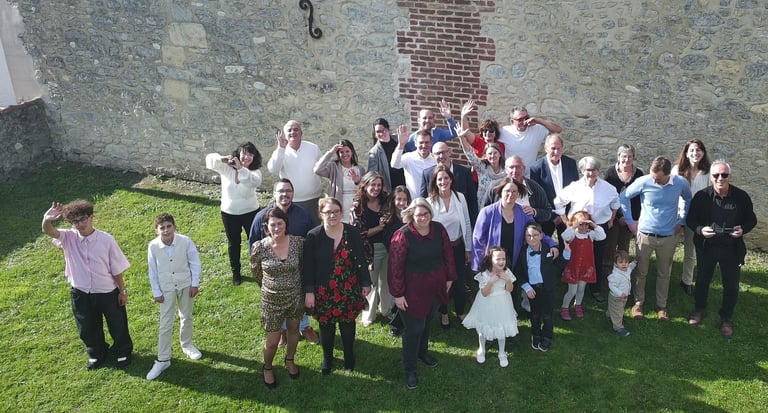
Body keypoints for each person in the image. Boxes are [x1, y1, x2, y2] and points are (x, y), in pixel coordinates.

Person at [41, 200, 133, 370]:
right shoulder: (68, 237)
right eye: (75, 221)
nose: (80, 224)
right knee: (87, 327)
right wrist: (47, 219)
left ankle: (122, 352)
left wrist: (122, 291)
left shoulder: (106, 240)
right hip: (81, 291)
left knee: (117, 323)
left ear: (92, 217)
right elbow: (49, 231)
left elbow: (116, 269)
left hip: (107, 290)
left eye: (83, 219)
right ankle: (96, 353)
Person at [388, 198, 457, 389]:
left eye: (426, 213)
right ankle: (410, 369)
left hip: (435, 287)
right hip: (412, 290)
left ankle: (422, 352)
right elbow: (395, 267)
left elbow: (448, 253)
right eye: (419, 214)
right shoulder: (402, 236)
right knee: (414, 329)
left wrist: (450, 277)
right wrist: (398, 294)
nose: (423, 217)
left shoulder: (438, 229)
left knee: (427, 323)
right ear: (411, 215)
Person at [686, 161, 756, 338]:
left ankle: (726, 317)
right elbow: (691, 220)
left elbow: (751, 220)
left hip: (732, 248)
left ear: (730, 177)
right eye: (716, 175)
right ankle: (699, 309)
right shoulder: (702, 196)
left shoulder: (741, 197)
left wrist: (743, 230)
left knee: (731, 285)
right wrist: (701, 230)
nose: (720, 179)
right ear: (711, 177)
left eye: (724, 175)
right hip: (707, 247)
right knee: (702, 279)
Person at [303, 198, 372, 375]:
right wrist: (309, 291)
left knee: (348, 323)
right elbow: (308, 266)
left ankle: (349, 355)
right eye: (328, 212)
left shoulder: (352, 232)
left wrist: (365, 281)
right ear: (321, 214)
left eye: (336, 211)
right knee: (326, 325)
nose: (332, 215)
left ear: (341, 213)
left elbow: (361, 258)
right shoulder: (313, 236)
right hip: (324, 289)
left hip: (349, 286)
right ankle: (327, 357)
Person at [620, 156, 692, 321]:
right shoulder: (644, 181)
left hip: (668, 237)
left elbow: (688, 199)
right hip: (645, 235)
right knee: (641, 271)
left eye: (658, 179)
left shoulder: (680, 183)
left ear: (668, 175)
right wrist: (631, 222)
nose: (654, 180)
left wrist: (681, 220)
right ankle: (638, 303)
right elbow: (624, 196)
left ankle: (662, 306)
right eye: (653, 177)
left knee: (664, 272)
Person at [248, 179, 319, 346]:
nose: (285, 194)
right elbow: (253, 246)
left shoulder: (303, 215)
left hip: (297, 267)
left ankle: (305, 326)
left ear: (293, 193)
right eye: (281, 191)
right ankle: (281, 330)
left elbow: (314, 238)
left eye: (288, 190)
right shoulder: (261, 217)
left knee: (299, 297)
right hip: (273, 271)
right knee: (276, 299)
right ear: (274, 194)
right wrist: (264, 278)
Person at [250, 208, 305, 388]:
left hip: (295, 297)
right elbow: (256, 272)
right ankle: (267, 367)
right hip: (271, 301)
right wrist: (269, 287)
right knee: (272, 341)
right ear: (266, 226)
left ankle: (290, 359)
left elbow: (303, 267)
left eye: (280, 223)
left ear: (286, 224)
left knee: (294, 330)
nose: (276, 227)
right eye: (272, 224)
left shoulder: (298, 243)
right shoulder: (259, 247)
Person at [553, 156, 619, 303]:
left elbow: (616, 203)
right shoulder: (574, 187)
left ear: (598, 170)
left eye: (595, 169)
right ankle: (572, 284)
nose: (591, 173)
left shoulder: (608, 188)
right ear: (582, 170)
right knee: (576, 257)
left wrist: (612, 219)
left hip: (598, 227)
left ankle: (595, 289)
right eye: (588, 170)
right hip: (578, 229)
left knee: (597, 257)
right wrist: (566, 221)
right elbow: (558, 202)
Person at [145, 213, 202, 381]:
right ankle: (163, 359)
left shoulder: (185, 241)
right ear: (156, 230)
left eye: (169, 226)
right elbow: (152, 270)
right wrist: (156, 291)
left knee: (186, 316)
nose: (166, 230)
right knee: (165, 323)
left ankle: (187, 345)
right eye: (162, 228)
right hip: (166, 288)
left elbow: (194, 262)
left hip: (185, 284)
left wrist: (194, 283)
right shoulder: (153, 246)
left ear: (175, 227)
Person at [205, 142, 263, 285]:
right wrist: (221, 159)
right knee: (234, 243)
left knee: (255, 242)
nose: (246, 157)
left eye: (250, 154)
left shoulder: (255, 172)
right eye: (244, 153)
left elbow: (251, 182)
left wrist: (240, 168)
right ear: (237, 154)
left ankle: (259, 270)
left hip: (251, 212)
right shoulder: (226, 169)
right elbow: (209, 160)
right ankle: (236, 273)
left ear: (254, 158)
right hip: (229, 212)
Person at [426, 165, 472, 329]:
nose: (443, 181)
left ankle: (460, 311)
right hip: (440, 251)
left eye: (446, 178)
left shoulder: (460, 198)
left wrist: (468, 248)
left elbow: (466, 222)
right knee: (444, 284)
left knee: (459, 284)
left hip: (458, 247)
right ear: (435, 182)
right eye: (440, 179)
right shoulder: (430, 202)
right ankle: (444, 314)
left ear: (451, 180)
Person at [514, 223, 569, 352]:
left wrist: (566, 252)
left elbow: (560, 265)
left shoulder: (548, 250)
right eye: (528, 236)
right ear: (525, 237)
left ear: (541, 236)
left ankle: (547, 335)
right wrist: (526, 287)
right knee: (534, 314)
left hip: (547, 288)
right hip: (533, 289)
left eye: (535, 235)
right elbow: (519, 273)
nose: (531, 238)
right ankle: (536, 334)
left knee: (547, 315)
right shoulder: (522, 253)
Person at [461, 247, 518, 367]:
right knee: (483, 327)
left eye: (503, 259)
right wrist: (491, 281)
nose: (501, 261)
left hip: (503, 302)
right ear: (490, 260)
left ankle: (502, 352)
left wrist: (507, 280)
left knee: (501, 326)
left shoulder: (506, 272)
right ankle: (482, 349)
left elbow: (509, 289)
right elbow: (484, 293)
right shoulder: (485, 274)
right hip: (486, 303)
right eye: (498, 259)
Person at [351, 172, 392, 327]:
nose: (376, 188)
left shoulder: (386, 201)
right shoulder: (357, 206)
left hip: (388, 247)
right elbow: (359, 233)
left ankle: (386, 310)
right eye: (372, 184)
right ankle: (369, 314)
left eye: (379, 185)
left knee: (386, 281)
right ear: (365, 185)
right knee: (371, 283)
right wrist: (380, 227)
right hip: (369, 250)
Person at [671, 139, 712, 296]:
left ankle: (686, 281)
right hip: (677, 215)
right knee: (669, 249)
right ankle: (665, 278)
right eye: (692, 150)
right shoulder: (677, 170)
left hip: (697, 217)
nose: (696, 153)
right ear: (687, 153)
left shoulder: (708, 172)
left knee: (691, 251)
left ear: (703, 152)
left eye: (699, 150)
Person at [529, 133, 580, 248]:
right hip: (547, 216)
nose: (556, 152)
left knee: (568, 247)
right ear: (546, 148)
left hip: (568, 215)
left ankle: (565, 265)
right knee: (544, 246)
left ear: (562, 148)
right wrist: (553, 217)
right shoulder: (537, 168)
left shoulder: (570, 164)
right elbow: (536, 197)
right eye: (553, 148)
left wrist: (566, 215)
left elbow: (576, 189)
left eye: (558, 148)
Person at [602, 144, 644, 279]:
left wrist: (630, 218)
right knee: (610, 246)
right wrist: (616, 216)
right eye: (624, 156)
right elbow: (606, 196)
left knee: (624, 247)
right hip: (612, 217)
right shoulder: (610, 173)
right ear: (618, 157)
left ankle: (622, 274)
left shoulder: (639, 174)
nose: (627, 159)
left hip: (630, 218)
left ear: (634, 157)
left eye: (630, 156)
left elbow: (639, 199)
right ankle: (607, 274)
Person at [267, 120, 324, 217]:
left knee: (313, 230)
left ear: (301, 133)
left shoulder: (313, 148)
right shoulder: (280, 151)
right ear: (285, 135)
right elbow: (273, 169)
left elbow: (323, 168)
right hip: (290, 201)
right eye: (289, 130)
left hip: (313, 200)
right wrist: (281, 149)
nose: (293, 132)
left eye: (296, 129)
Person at [559, 211, 606, 320]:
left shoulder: (591, 235)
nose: (584, 226)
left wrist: (594, 225)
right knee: (572, 290)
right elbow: (564, 236)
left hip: (585, 267)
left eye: (586, 224)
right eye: (581, 224)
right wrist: (574, 226)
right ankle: (564, 307)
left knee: (581, 288)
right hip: (573, 267)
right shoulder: (572, 235)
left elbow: (602, 236)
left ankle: (578, 304)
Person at [419, 141, 478, 224]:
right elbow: (422, 201)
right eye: (437, 153)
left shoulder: (464, 172)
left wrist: (474, 223)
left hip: (460, 225)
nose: (441, 156)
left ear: (449, 152)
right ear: (432, 156)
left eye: (443, 152)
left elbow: (472, 200)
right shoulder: (427, 174)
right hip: (435, 225)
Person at [381, 185, 413, 337]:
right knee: (397, 291)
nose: (402, 203)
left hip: (410, 260)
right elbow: (388, 241)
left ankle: (401, 320)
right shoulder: (388, 218)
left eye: (405, 200)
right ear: (393, 200)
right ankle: (395, 324)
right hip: (394, 261)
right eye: (398, 199)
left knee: (407, 292)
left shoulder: (412, 218)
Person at [497, 105, 562, 175]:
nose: (524, 121)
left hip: (530, 175)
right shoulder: (506, 131)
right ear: (512, 121)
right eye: (520, 119)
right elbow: (488, 138)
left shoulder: (537, 129)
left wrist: (538, 121)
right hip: (511, 175)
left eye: (526, 118)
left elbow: (558, 130)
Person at [313, 139, 365, 223]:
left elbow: (364, 188)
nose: (345, 154)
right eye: (341, 152)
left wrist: (358, 181)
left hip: (355, 204)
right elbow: (317, 170)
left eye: (347, 151)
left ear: (352, 152)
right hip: (339, 202)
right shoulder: (333, 167)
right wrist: (331, 152)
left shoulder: (360, 168)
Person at [456, 127, 505, 211]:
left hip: (501, 208)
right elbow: (470, 153)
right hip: (483, 208)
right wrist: (462, 138)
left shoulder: (506, 171)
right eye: (490, 154)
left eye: (495, 153)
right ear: (485, 156)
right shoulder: (482, 168)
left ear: (500, 154)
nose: (493, 156)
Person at [458, 99, 506, 182]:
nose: (488, 133)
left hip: (495, 179)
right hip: (477, 179)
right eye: (485, 130)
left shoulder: (500, 145)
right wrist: (463, 116)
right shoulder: (478, 142)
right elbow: (466, 132)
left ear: (496, 133)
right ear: (482, 132)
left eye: (491, 130)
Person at [391, 129, 436, 197]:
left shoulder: (435, 159)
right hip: (412, 201)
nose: (424, 145)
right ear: (415, 143)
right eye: (421, 142)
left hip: (431, 201)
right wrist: (401, 145)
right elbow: (394, 164)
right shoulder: (408, 157)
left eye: (426, 142)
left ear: (431, 143)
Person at [367, 118, 406, 191]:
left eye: (384, 130)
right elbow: (372, 174)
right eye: (378, 131)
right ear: (375, 134)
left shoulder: (399, 140)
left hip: (406, 183)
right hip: (389, 187)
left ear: (388, 130)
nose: (381, 133)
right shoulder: (374, 152)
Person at [606, 250, 636, 337]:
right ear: (615, 264)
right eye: (621, 262)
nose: (624, 264)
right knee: (618, 312)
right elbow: (612, 286)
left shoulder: (626, 270)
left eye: (626, 262)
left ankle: (609, 314)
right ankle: (618, 327)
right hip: (617, 298)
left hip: (623, 297)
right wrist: (620, 293)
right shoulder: (614, 275)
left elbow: (630, 267)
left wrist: (634, 262)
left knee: (616, 309)